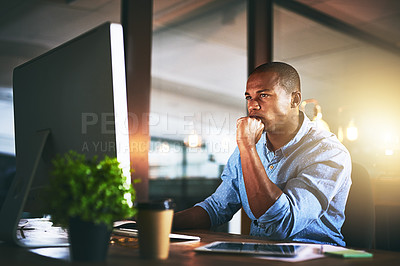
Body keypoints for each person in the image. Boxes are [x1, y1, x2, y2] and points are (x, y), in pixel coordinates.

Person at [173, 62, 351, 246]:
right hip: (260, 254)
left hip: (314, 257)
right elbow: (217, 208)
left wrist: (246, 146)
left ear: (295, 100)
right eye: (248, 97)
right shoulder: (250, 147)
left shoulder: (328, 152)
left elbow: (280, 224)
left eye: (264, 95)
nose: (252, 105)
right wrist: (159, 223)